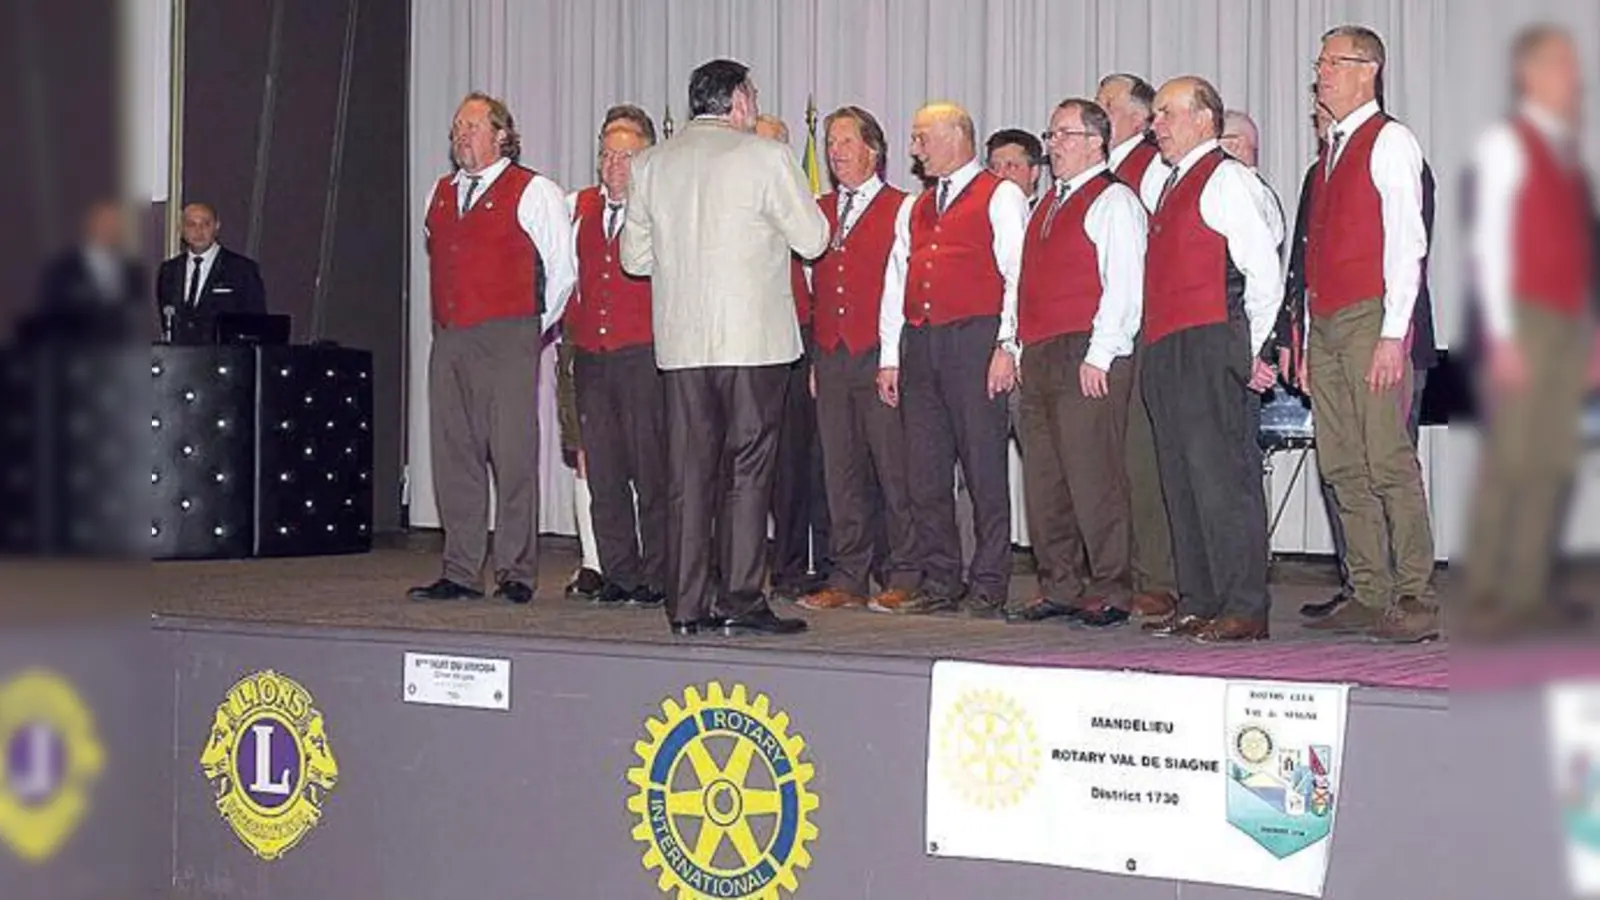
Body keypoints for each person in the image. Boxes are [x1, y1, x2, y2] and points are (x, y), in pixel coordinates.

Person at [621, 59, 830, 635]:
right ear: (737, 100)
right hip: (753, 343)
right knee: (748, 471)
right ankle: (741, 597)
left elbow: (633, 260)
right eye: (754, 95)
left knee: (688, 474)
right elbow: (814, 239)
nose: (756, 105)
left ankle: (686, 606)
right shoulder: (764, 156)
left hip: (684, 346)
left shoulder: (651, 164)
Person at [408, 91, 576, 605]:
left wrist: (528, 329)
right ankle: (460, 570)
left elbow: (563, 273)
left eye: (473, 126)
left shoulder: (534, 191)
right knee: (454, 453)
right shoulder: (440, 193)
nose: (462, 135)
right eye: (457, 127)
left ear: (502, 134)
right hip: (451, 337)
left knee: (513, 453)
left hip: (509, 333)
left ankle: (516, 571)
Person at [1300, 26, 1436, 642]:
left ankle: (1414, 593)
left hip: (1368, 316)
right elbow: (1314, 254)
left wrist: (1393, 334)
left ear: (1367, 70)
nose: (1321, 73)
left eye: (1333, 62)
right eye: (1320, 63)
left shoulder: (1390, 141)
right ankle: (1368, 586)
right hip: (1327, 323)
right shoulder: (1329, 152)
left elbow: (1408, 243)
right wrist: (1304, 337)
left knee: (1386, 459)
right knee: (1341, 462)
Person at [1462, 25, 1598, 634]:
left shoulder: (1567, 153)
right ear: (1531, 75)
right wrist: (1503, 335)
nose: (1576, 77)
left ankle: (1528, 591)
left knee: (1555, 460)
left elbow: (1580, 252)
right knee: (1513, 457)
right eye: (1563, 66)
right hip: (1524, 316)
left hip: (1567, 322)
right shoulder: (1506, 145)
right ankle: (1490, 594)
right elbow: (1489, 245)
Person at [1137, 76, 1283, 642]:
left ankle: (1245, 605)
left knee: (1223, 479)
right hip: (1167, 346)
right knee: (1181, 479)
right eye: (1155, 116)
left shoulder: (1227, 180)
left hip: (1210, 342)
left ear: (1205, 119)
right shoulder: (1167, 185)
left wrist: (1251, 351)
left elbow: (1263, 275)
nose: (1157, 125)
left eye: (1168, 113)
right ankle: (1199, 598)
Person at [874, 102, 1027, 618]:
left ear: (955, 136)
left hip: (975, 340)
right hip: (922, 342)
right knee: (926, 470)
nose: (914, 150)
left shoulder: (1001, 196)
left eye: (922, 138)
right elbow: (897, 282)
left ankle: (989, 581)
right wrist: (891, 357)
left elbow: (1017, 275)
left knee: (984, 466)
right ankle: (941, 578)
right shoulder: (915, 208)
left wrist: (1007, 345)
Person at [1005, 98, 1147, 629]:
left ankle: (1112, 587)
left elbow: (1124, 285)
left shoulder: (1113, 201)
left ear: (1095, 141)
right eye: (1052, 134)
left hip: (1086, 352)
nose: (1053, 145)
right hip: (1040, 354)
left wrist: (1101, 354)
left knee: (1095, 477)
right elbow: (1024, 285)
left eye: (1064, 134)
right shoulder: (1045, 205)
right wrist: (1018, 347)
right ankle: (1059, 584)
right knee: (1045, 481)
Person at [798, 105, 921, 612]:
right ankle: (847, 575)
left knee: (895, 469)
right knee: (840, 471)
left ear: (874, 149)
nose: (835, 151)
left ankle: (905, 572)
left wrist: (893, 356)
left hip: (879, 354)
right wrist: (815, 360)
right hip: (831, 356)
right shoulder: (818, 210)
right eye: (831, 143)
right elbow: (810, 287)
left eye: (846, 142)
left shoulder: (904, 207)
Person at [565, 105, 668, 608]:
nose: (614, 165)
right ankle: (618, 572)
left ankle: (658, 574)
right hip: (593, 358)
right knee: (603, 471)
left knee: (651, 470)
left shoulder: (661, 212)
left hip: (643, 355)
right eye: (607, 155)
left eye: (626, 156)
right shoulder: (577, 208)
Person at [1096, 73, 1178, 618]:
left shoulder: (1148, 166)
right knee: (1109, 459)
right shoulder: (1106, 173)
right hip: (1109, 330)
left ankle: (1158, 575)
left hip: (1143, 327)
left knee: (1141, 459)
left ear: (1137, 115)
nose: (1098, 111)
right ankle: (1116, 569)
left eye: (1106, 104)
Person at [754, 113, 833, 602]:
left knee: (803, 461)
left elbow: (821, 281)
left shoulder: (808, 208)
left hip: (802, 341)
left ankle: (806, 562)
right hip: (749, 340)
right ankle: (768, 563)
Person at [29, 201, 145, 343]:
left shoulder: (132, 271)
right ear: (91, 225)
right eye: (105, 223)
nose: (110, 229)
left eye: (115, 224)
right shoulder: (64, 270)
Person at [154, 202, 267, 344]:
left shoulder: (241, 270)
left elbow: (257, 324)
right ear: (181, 229)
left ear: (217, 226)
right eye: (191, 224)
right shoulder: (169, 270)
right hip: (181, 359)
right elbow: (168, 321)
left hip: (226, 360)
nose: (198, 231)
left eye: (205, 224)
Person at [986, 128, 1047, 207]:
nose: (999, 175)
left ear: (1034, 172)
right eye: (993, 167)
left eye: (1010, 166)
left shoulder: (1046, 216)